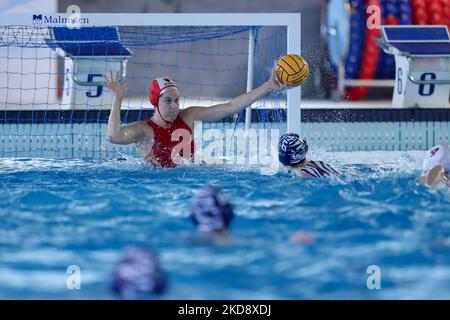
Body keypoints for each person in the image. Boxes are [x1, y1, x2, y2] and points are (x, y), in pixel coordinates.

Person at [104, 70, 286, 168]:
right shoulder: (144, 130)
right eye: (168, 101)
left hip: (191, 181)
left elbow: (231, 107)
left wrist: (268, 86)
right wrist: (118, 98)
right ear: (155, 101)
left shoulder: (189, 116)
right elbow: (114, 136)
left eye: (177, 100)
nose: (174, 106)